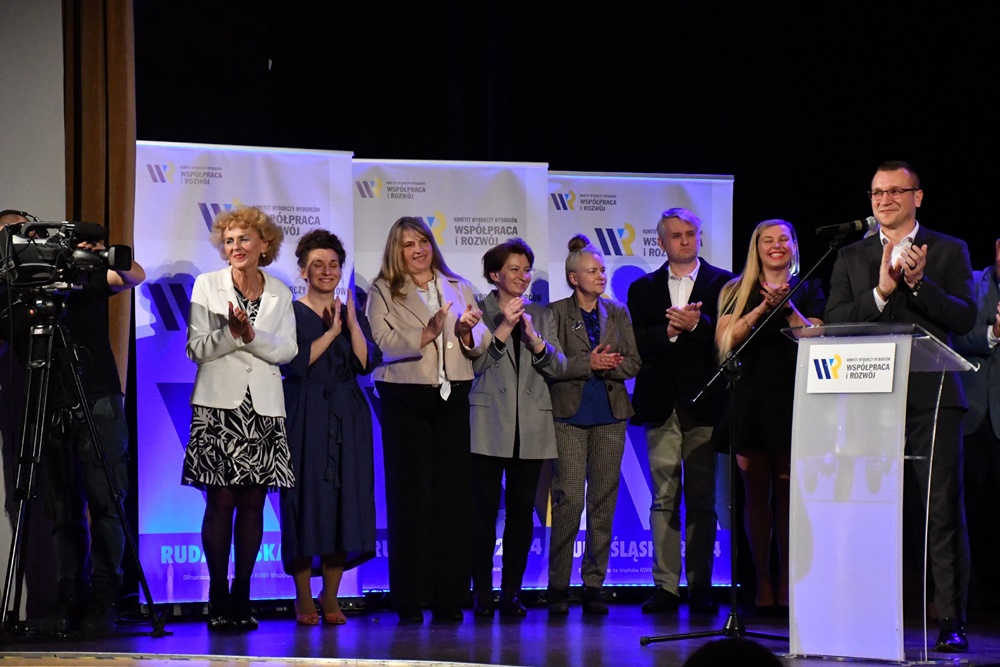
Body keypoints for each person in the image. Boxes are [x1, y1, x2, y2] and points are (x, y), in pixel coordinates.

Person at [825, 161, 976, 653]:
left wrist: (919, 285)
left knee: (940, 509)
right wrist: (882, 292)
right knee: (869, 509)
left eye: (895, 191)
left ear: (918, 196)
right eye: (877, 192)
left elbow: (964, 317)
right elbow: (834, 321)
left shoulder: (949, 249)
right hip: (868, 399)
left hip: (933, 399)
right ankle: (868, 612)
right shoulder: (851, 255)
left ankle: (950, 617)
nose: (884, 200)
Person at [0, 208, 145, 635]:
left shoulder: (71, 270)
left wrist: (96, 255)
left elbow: (133, 274)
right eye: (9, 236)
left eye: (25, 232)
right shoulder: (6, 289)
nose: (20, 241)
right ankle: (69, 595)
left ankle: (105, 594)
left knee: (106, 499)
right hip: (45, 399)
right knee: (61, 506)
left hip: (96, 395)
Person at [366, 216, 489, 623]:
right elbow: (382, 342)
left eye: (423, 241)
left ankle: (449, 596)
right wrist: (427, 332)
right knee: (411, 500)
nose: (418, 250)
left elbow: (481, 342)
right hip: (405, 398)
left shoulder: (458, 285)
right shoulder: (383, 289)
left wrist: (468, 332)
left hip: (452, 396)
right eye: (408, 244)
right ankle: (410, 597)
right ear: (396, 251)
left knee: (453, 501)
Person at [183, 206, 297, 632]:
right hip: (218, 408)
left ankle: (242, 595)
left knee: (253, 504)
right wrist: (232, 333)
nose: (235, 246)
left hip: (263, 408)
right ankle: (217, 595)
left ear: (264, 244)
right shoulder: (207, 285)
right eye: (229, 240)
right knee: (220, 502)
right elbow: (196, 349)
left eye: (244, 239)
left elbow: (287, 350)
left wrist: (251, 335)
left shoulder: (280, 291)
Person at [626, 208, 733, 615]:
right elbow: (635, 341)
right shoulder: (643, 288)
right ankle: (666, 586)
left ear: (700, 237)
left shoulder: (724, 283)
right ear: (661, 242)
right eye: (676, 235)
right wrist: (670, 331)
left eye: (691, 233)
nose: (685, 240)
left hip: (705, 403)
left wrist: (698, 325)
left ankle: (701, 585)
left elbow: (731, 337)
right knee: (663, 498)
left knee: (703, 498)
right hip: (661, 404)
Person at [715, 219, 825, 613]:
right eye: (768, 240)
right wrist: (764, 307)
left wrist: (788, 308)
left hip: (796, 399)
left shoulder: (810, 286)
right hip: (751, 401)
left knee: (791, 498)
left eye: (783, 239)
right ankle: (761, 580)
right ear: (756, 247)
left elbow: (817, 337)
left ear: (794, 245)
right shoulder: (735, 289)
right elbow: (725, 341)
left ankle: (787, 580)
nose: (776, 245)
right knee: (756, 495)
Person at [279, 230, 381, 626]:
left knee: (345, 503)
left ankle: (331, 594)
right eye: (317, 265)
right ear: (303, 271)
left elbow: (363, 364)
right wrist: (331, 333)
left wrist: (351, 324)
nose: (327, 271)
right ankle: (304, 595)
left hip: (348, 411)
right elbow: (294, 363)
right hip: (305, 411)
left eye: (334, 264)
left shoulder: (351, 310)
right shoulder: (290, 311)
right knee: (304, 501)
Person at [469, 238, 565, 618]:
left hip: (532, 424)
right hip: (488, 422)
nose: (523, 277)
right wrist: (505, 327)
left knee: (522, 513)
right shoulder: (477, 311)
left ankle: (511, 592)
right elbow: (475, 365)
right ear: (495, 275)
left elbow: (559, 367)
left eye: (527, 270)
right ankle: (481, 592)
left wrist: (535, 341)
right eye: (514, 269)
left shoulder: (541, 314)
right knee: (483, 511)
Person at [546, 234, 640, 615]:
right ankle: (557, 586)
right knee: (568, 499)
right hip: (569, 416)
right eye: (592, 271)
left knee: (603, 500)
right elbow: (552, 365)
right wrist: (590, 363)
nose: (601, 276)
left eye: (602, 270)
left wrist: (610, 365)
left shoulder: (618, 312)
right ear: (574, 278)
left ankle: (593, 584)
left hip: (610, 416)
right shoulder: (554, 313)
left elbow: (634, 363)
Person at [950, 238, 1000, 613]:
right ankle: (958, 602)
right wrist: (993, 333)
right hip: (971, 417)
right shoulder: (971, 281)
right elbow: (953, 332)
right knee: (962, 512)